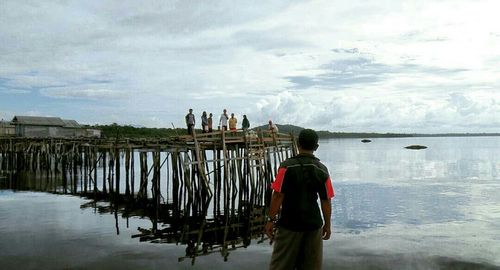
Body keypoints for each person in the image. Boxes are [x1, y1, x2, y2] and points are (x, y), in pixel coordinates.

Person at [265, 129, 334, 270]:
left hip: (289, 225)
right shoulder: (322, 169)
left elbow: (278, 195)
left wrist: (271, 220)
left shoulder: (286, 167)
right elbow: (326, 200)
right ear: (316, 147)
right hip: (313, 226)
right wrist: (327, 225)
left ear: (297, 144)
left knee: (280, 265)